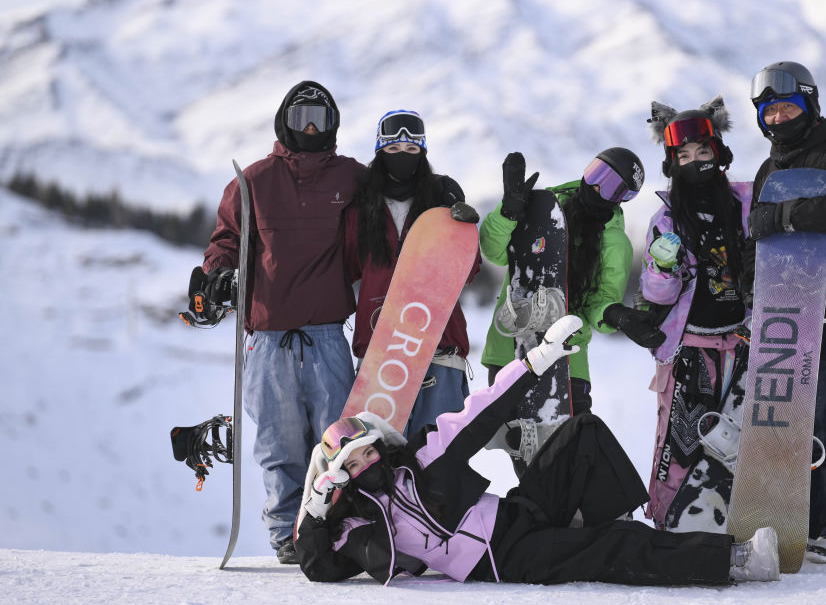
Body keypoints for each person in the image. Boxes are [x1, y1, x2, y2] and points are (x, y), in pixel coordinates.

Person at [293, 315, 780, 586]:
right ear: (339, 477)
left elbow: (478, 411)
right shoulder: (357, 525)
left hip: (516, 514)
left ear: (381, 446)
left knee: (581, 433)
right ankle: (736, 560)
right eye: (351, 465)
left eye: (367, 453)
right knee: (613, 548)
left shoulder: (422, 461)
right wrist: (316, 512)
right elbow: (320, 567)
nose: (364, 465)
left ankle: (602, 525)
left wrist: (537, 361)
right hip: (505, 559)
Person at [193, 81, 364, 564]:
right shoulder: (253, 182)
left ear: (334, 125)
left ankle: (335, 528)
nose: (310, 127)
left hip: (328, 337)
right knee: (279, 445)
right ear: (282, 122)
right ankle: (289, 538)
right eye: (301, 117)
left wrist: (435, 191)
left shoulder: (352, 178)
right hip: (268, 340)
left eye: (321, 118)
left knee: (336, 444)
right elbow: (226, 240)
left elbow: (396, 198)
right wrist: (218, 276)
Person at [745, 61, 826, 562]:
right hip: (786, 313)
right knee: (784, 422)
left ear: (809, 104)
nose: (777, 118)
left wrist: (783, 215)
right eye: (768, 110)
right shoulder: (768, 169)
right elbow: (758, 242)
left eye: (787, 106)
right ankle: (797, 521)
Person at [632, 96, 752, 532]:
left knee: (740, 441)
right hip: (690, 347)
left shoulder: (744, 203)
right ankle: (670, 523)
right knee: (682, 441)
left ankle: (741, 521)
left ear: (718, 152)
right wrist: (664, 265)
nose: (695, 161)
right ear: (672, 162)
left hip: (741, 344)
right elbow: (656, 291)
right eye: (684, 155)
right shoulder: (667, 218)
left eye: (703, 152)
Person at [479, 148, 648, 426]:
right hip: (508, 349)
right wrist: (508, 211)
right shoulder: (542, 208)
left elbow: (600, 302)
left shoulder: (615, 244)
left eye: (610, 186)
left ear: (622, 198)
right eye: (597, 172)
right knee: (519, 451)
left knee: (566, 453)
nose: (595, 186)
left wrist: (616, 314)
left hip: (566, 361)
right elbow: (494, 251)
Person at [342, 109, 482, 438]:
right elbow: (345, 269)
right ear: (379, 153)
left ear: (423, 152)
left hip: (440, 349)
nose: (402, 157)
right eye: (392, 150)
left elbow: (468, 269)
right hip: (381, 355)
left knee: (440, 462)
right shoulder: (361, 208)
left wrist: (460, 228)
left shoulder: (442, 199)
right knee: (378, 468)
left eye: (410, 150)